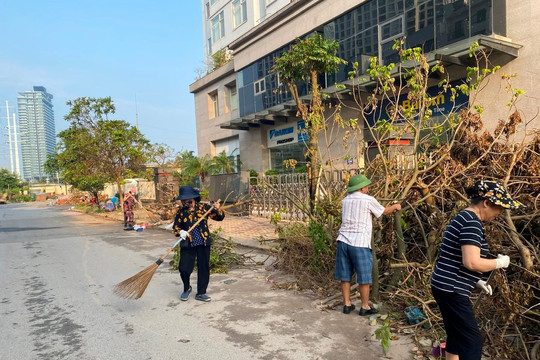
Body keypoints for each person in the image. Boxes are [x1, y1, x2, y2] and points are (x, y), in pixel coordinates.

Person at [430, 180, 525, 360]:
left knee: (456, 335)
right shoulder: (472, 223)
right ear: (486, 203)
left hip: (444, 285)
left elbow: (454, 257)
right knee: (472, 341)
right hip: (452, 290)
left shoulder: (463, 217)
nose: (500, 213)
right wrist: (499, 263)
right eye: (499, 208)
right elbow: (471, 262)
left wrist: (475, 280)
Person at [335, 174, 401, 316]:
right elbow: (384, 212)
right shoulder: (368, 199)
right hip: (359, 242)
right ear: (362, 187)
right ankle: (364, 306)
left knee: (345, 275)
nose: (368, 188)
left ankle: (347, 304)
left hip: (343, 240)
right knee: (364, 276)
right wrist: (395, 206)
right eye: (366, 186)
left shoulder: (345, 200)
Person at [173, 185, 225, 302]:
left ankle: (201, 293)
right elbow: (175, 227)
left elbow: (219, 218)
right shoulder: (181, 212)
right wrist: (180, 232)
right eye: (184, 201)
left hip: (203, 242)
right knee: (184, 268)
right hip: (188, 244)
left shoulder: (204, 208)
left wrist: (217, 209)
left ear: (194, 199)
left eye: (188, 201)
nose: (186, 203)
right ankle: (187, 288)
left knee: (203, 268)